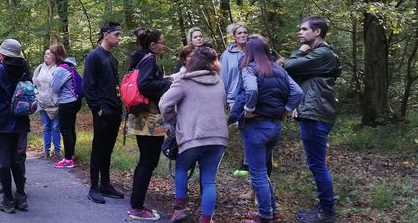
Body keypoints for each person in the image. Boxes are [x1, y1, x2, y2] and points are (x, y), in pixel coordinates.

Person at [231, 38, 303, 223]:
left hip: (256, 127)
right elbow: (298, 93)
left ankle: (264, 216)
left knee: (258, 173)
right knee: (262, 171)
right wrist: (285, 110)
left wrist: (247, 111)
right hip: (274, 127)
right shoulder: (279, 70)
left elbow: (252, 91)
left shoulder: (249, 68)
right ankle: (270, 210)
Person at [161, 47, 229, 223]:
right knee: (208, 180)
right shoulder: (219, 82)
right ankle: (206, 220)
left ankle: (179, 210)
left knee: (182, 168)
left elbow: (164, 104)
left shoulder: (184, 81)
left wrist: (174, 121)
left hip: (193, 136)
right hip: (218, 137)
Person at [284, 16, 341, 223]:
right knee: (316, 163)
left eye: (304, 29)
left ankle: (327, 212)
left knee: (317, 164)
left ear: (317, 32)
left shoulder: (322, 54)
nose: (300, 33)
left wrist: (300, 51)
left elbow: (289, 66)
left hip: (316, 115)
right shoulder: (322, 54)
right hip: (314, 112)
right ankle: (325, 206)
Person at [126, 28, 172, 221]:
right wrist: (167, 84)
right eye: (161, 42)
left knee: (145, 160)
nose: (163, 45)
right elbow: (145, 85)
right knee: (149, 160)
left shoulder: (140, 58)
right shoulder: (149, 60)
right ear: (152, 45)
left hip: (140, 114)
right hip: (150, 116)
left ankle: (136, 204)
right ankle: (136, 208)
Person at [0, 38, 31, 214]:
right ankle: (21, 195)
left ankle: (7, 200)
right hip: (20, 116)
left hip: (2, 118)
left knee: (4, 159)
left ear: (3, 54)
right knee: (17, 158)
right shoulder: (25, 68)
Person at [83, 21, 125, 204]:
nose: (119, 38)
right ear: (106, 34)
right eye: (116, 34)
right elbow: (88, 85)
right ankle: (93, 187)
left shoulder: (112, 59)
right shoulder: (94, 56)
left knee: (108, 149)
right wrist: (97, 109)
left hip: (115, 110)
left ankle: (105, 184)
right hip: (103, 111)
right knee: (99, 148)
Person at [51, 47, 82, 169]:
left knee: (65, 130)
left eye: (51, 53)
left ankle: (68, 159)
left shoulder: (60, 70)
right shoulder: (69, 66)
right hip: (75, 101)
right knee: (70, 129)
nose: (49, 55)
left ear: (56, 55)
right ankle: (71, 155)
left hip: (66, 103)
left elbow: (54, 89)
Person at [33, 47, 61, 158]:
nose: (46, 55)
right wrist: (36, 95)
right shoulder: (39, 68)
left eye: (49, 54)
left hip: (55, 105)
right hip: (42, 103)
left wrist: (58, 100)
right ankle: (46, 151)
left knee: (55, 127)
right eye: (45, 53)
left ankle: (58, 151)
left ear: (54, 56)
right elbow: (34, 83)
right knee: (45, 127)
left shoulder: (58, 68)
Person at [220, 22, 249, 108]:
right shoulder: (226, 55)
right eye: (239, 33)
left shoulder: (254, 51)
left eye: (245, 32)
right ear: (234, 36)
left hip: (254, 95)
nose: (243, 35)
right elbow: (223, 78)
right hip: (234, 98)